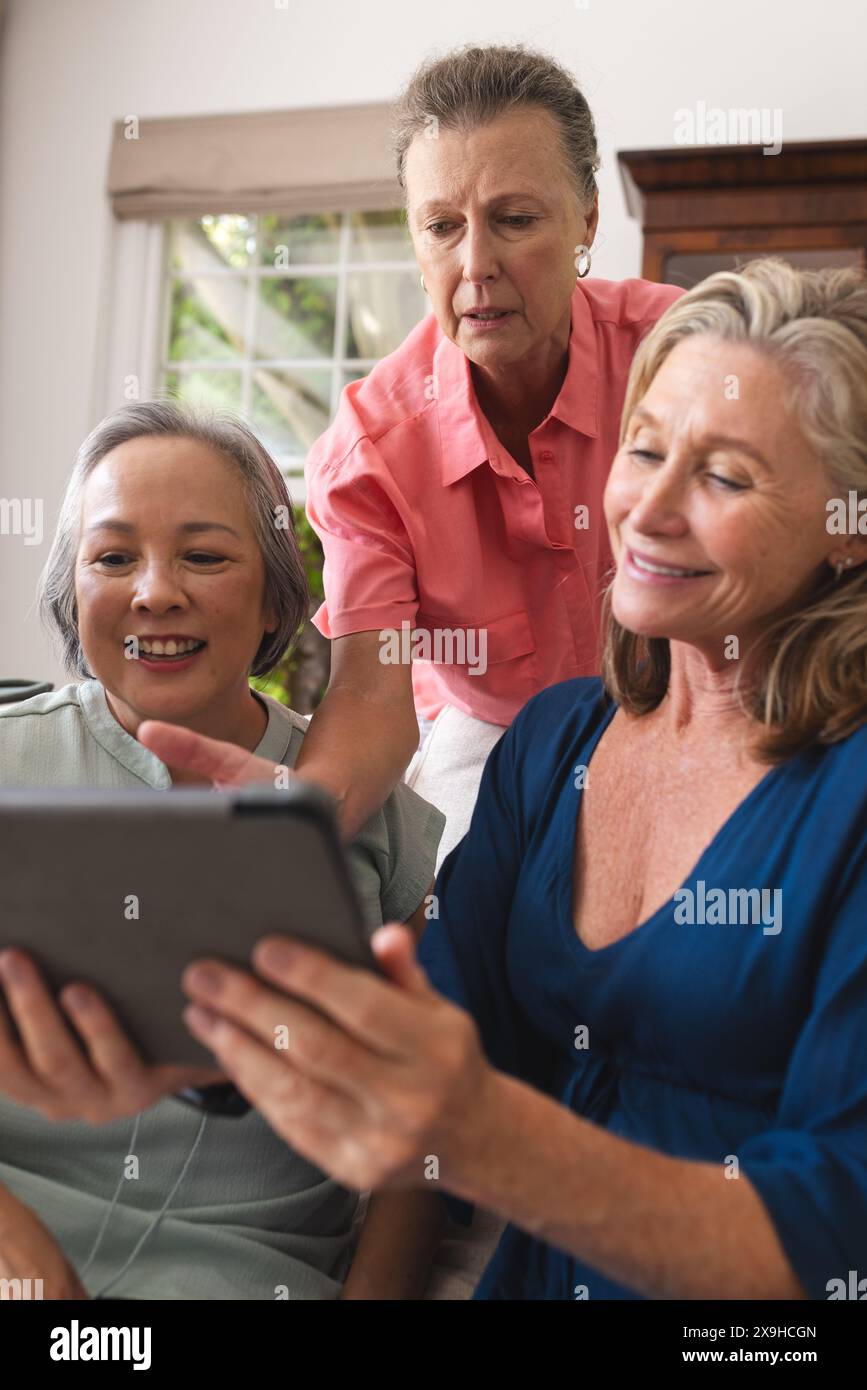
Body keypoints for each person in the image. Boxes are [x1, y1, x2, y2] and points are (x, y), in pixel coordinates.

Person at [180, 259, 867, 1299]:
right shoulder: (556, 743)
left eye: (726, 477)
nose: (650, 508)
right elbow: (447, 1019)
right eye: (643, 450)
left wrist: (491, 1141)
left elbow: (839, 1231)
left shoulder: (848, 798)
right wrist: (225, 976)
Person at [141, 43, 681, 868]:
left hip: (689, 692)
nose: (475, 265)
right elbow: (369, 693)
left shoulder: (680, 353)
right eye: (442, 226)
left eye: (515, 218)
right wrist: (299, 823)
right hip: (490, 723)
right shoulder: (369, 454)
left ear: (587, 221)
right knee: (458, 910)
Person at [0, 402, 442, 1299]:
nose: (155, 590)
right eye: (112, 557)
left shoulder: (381, 825)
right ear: (69, 591)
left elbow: (421, 1142)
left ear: (279, 596)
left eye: (203, 555)